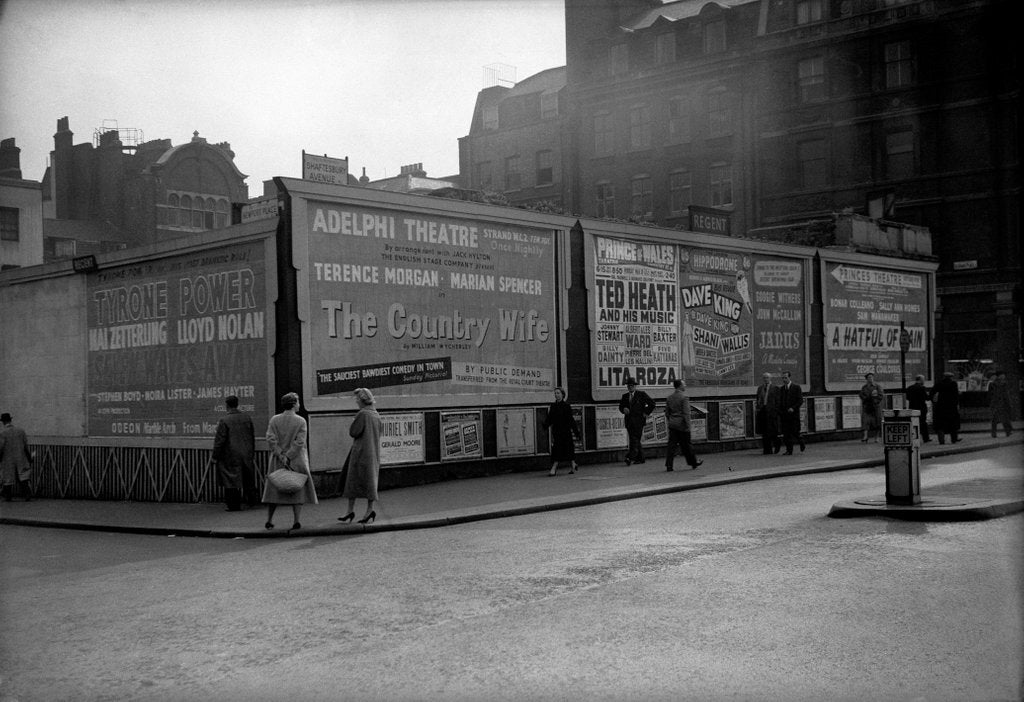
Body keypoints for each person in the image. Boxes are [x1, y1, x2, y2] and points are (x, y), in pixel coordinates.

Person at [263, 392, 318, 530]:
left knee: (273, 491)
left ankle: (269, 519)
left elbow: (270, 439)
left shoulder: (274, 419)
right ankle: (296, 520)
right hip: (296, 460)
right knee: (297, 489)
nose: (299, 405)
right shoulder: (300, 421)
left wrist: (280, 454)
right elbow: (300, 442)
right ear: (294, 404)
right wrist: (289, 455)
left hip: (277, 460)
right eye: (298, 402)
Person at [338, 387, 382, 525]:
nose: (356, 402)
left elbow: (354, 432)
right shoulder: (376, 414)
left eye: (357, 399)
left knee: (352, 481)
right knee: (370, 482)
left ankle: (350, 510)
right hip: (373, 452)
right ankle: (369, 510)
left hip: (360, 452)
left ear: (363, 400)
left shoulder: (362, 414)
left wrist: (354, 421)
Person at [212, 395, 257, 511]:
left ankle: (234, 505)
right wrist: (251, 452)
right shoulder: (247, 417)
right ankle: (252, 501)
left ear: (227, 405)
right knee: (248, 478)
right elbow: (252, 436)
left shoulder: (224, 420)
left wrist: (215, 456)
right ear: (237, 404)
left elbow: (219, 441)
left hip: (230, 455)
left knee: (231, 481)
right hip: (246, 453)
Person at [664, 379, 702, 471]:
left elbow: (667, 412)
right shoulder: (684, 397)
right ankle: (693, 463)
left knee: (671, 446)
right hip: (682, 425)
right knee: (687, 445)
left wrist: (671, 420)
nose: (685, 386)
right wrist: (688, 425)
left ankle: (669, 465)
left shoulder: (670, 397)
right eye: (683, 384)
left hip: (673, 424)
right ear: (680, 386)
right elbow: (686, 413)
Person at [542, 387, 581, 476]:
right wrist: (545, 425)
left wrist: (576, 432)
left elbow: (571, 420)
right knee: (558, 449)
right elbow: (550, 418)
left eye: (558, 393)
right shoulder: (553, 406)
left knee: (567, 449)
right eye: (555, 393)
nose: (556, 395)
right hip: (557, 431)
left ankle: (555, 468)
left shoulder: (566, 406)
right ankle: (572, 465)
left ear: (563, 395)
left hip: (565, 431)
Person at [618, 377, 655, 465]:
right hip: (629, 421)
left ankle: (629, 457)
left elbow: (652, 403)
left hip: (639, 421)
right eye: (628, 386)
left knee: (634, 439)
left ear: (635, 386)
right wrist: (623, 409)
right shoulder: (625, 396)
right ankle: (641, 458)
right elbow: (620, 407)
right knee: (635, 440)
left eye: (631, 386)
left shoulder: (641, 394)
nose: (630, 387)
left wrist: (646, 412)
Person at [0, 412, 33, 501]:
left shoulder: (2, 433)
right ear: (11, 420)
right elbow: (25, 445)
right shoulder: (20, 431)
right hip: (20, 456)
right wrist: (29, 458)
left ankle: (8, 496)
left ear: (3, 422)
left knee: (7, 477)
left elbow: (1, 447)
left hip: (7, 458)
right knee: (23, 475)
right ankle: (27, 494)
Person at [778, 371, 805, 454]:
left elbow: (800, 400)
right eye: (783, 378)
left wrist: (793, 408)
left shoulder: (796, 387)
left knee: (795, 431)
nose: (784, 379)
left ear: (789, 378)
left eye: (785, 377)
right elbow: (780, 401)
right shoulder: (782, 389)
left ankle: (801, 441)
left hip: (793, 414)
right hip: (785, 414)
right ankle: (789, 450)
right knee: (786, 433)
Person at [754, 372, 781, 455]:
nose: (766, 379)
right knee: (764, 431)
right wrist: (758, 408)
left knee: (772, 430)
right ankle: (767, 450)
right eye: (764, 378)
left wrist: (776, 410)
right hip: (763, 410)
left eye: (767, 378)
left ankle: (777, 443)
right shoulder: (760, 388)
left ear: (770, 378)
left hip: (772, 411)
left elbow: (778, 400)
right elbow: (758, 398)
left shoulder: (775, 388)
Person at [930, 372, 961, 444]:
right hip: (951, 407)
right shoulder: (953, 384)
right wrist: (957, 404)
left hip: (941, 406)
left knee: (940, 425)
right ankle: (954, 439)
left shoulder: (939, 384)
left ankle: (941, 441)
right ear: (951, 377)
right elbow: (956, 395)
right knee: (953, 424)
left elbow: (932, 392)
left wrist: (934, 401)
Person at [905, 375, 932, 443]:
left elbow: (907, 397)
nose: (924, 381)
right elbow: (926, 397)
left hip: (913, 407)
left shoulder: (910, 388)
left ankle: (912, 437)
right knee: (923, 423)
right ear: (920, 380)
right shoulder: (922, 388)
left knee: (913, 422)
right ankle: (925, 438)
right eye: (923, 380)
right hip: (921, 407)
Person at [859, 372, 885, 442]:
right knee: (865, 422)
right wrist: (866, 399)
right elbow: (861, 395)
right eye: (869, 377)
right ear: (866, 379)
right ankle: (865, 436)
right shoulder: (864, 387)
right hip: (867, 407)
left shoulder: (877, 386)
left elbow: (880, 395)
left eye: (871, 377)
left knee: (877, 422)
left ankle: (876, 438)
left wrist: (875, 401)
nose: (870, 379)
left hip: (875, 407)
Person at [987, 371, 1013, 438]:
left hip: (995, 403)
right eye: (1003, 375)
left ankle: (994, 433)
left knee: (995, 420)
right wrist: (1008, 403)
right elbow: (1006, 395)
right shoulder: (1002, 384)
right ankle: (1007, 432)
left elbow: (989, 395)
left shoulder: (992, 384)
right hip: (1001, 403)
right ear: (1000, 376)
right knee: (1003, 419)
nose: (1003, 376)